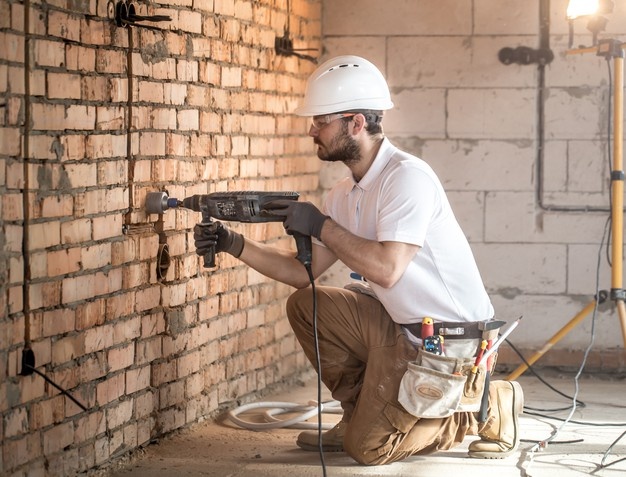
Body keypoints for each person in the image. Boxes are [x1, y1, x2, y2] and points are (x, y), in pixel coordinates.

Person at [194, 55, 524, 465]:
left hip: (450, 341)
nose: (312, 130)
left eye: (320, 121)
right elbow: (303, 274)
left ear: (355, 123)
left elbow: (387, 269)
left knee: (368, 449)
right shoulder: (344, 194)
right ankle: (358, 411)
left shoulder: (407, 178)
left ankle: (486, 402)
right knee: (307, 304)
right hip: (398, 326)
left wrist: (320, 226)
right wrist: (234, 243)